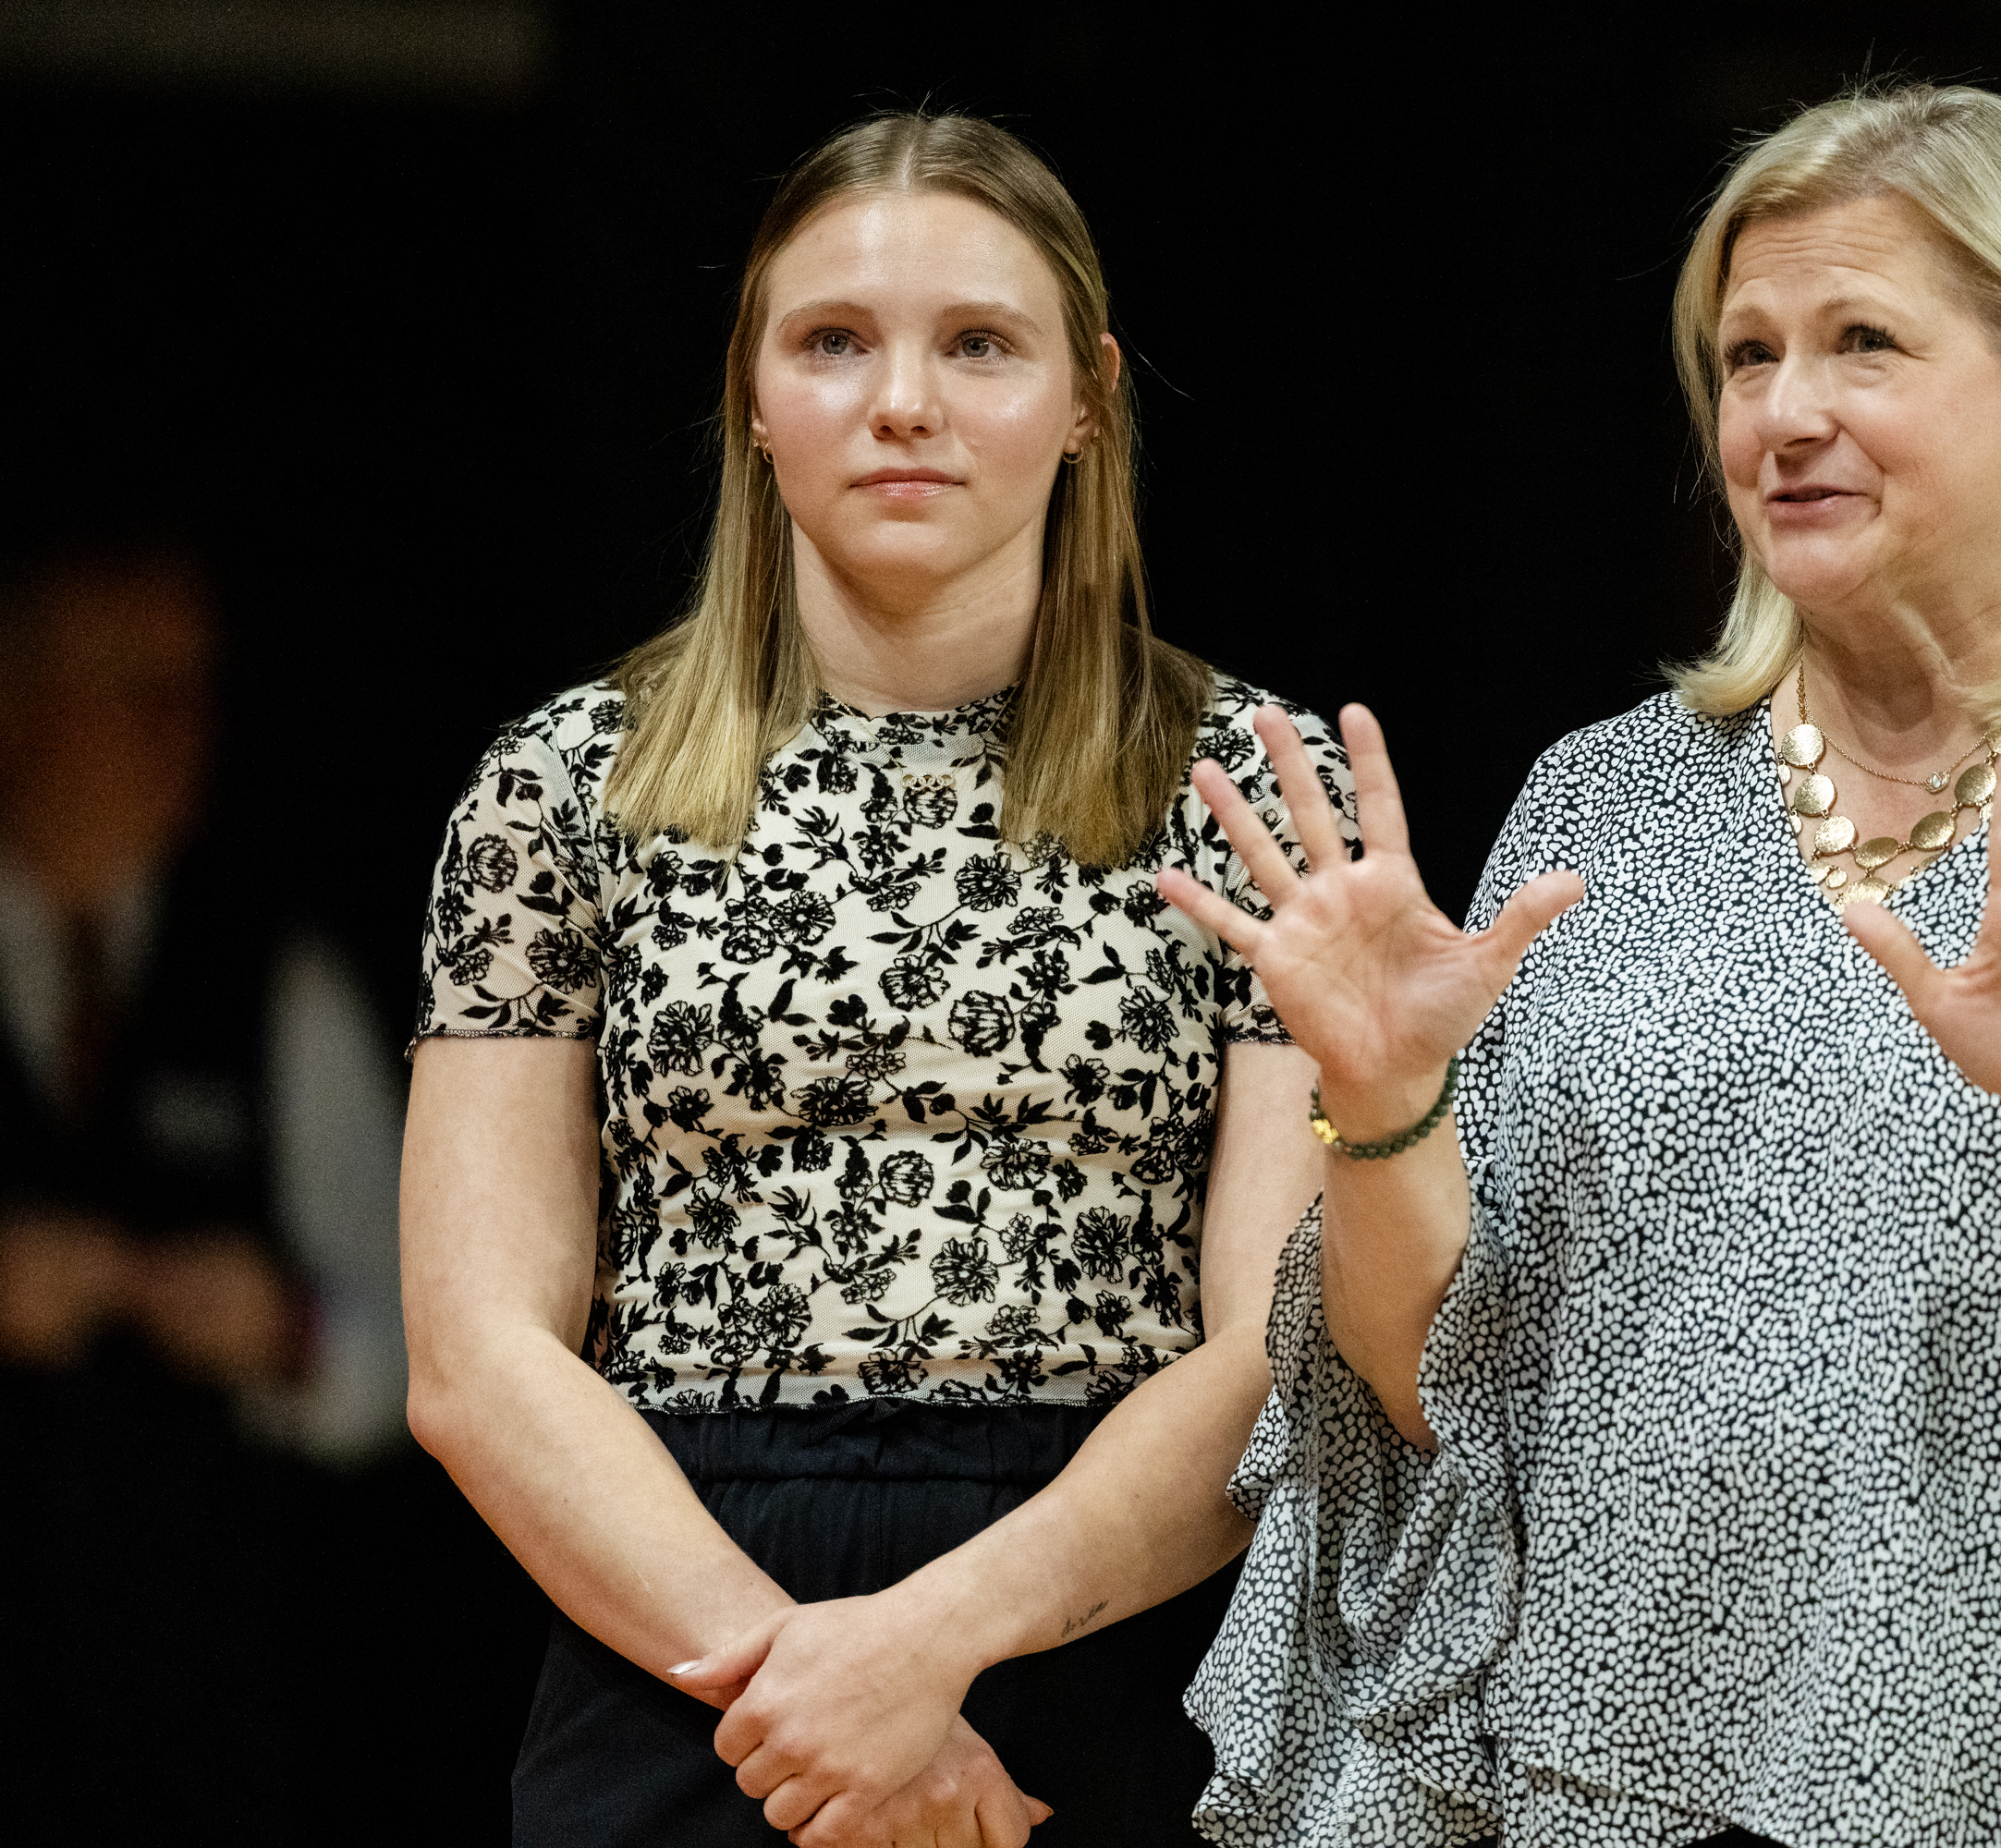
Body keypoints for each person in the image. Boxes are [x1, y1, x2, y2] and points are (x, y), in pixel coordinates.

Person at [1156, 83, 2001, 1846]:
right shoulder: (1606, 798)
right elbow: (1427, 1397)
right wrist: (1385, 1107)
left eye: (1863, 343)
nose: (1785, 415)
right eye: (1747, 354)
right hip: (1601, 1786)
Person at [401, 112, 1344, 1848]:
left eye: (978, 344)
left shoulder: (1252, 784)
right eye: (833, 342)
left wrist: (933, 1648)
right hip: (678, 1630)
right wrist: (821, 1697)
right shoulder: (560, 783)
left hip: (1106, 1621)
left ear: (1089, 398)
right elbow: (473, 1355)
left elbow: (1280, 1347)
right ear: (754, 400)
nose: (901, 400)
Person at [0, 541, 412, 1836]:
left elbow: (410, 1356)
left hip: (193, 1720)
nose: (176, 728)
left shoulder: (275, 987)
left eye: (195, 687)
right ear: (15, 699)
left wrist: (284, 1331)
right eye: (129, 683)